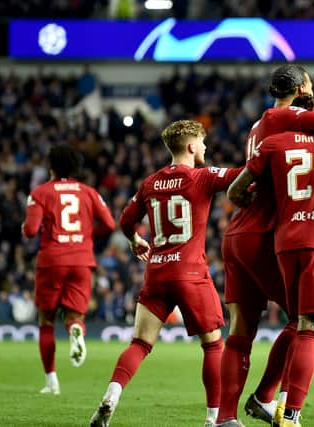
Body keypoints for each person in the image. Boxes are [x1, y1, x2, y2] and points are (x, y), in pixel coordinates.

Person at [217, 65, 314, 427]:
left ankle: (225, 418)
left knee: (241, 329)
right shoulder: (290, 119)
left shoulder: (258, 126)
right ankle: (265, 397)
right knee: (305, 319)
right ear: (303, 87)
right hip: (268, 231)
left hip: (237, 233)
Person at [89, 120, 241, 427]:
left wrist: (135, 241)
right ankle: (213, 419)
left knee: (140, 344)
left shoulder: (150, 183)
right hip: (190, 273)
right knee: (213, 344)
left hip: (157, 271)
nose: (206, 148)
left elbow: (125, 221)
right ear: (191, 147)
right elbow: (245, 175)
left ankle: (111, 396)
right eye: (203, 142)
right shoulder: (203, 177)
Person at [22, 144, 115, 395]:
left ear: (51, 166)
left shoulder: (40, 193)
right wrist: (86, 236)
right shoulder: (89, 192)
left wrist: (26, 227)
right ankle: (76, 331)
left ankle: (52, 381)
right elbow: (109, 223)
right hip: (81, 260)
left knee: (46, 322)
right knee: (75, 317)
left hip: (52, 260)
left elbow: (30, 230)